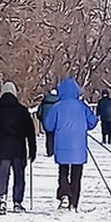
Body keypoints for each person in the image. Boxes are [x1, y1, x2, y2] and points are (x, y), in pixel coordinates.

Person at [0, 81, 36, 215]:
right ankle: (17, 202)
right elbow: (30, 131)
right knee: (19, 176)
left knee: (1, 175)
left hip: (0, 149)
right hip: (18, 150)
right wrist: (32, 149)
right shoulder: (22, 111)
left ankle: (2, 199)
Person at [43, 77, 97, 211]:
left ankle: (64, 194)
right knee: (77, 174)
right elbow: (93, 122)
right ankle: (74, 202)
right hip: (79, 146)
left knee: (63, 171)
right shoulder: (82, 106)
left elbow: (48, 125)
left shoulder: (57, 107)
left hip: (61, 145)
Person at [37, 88, 59, 157]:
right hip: (57, 122)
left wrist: (41, 119)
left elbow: (39, 113)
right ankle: (56, 150)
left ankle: (49, 151)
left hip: (46, 122)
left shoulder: (44, 101)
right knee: (56, 136)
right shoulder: (59, 102)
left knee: (49, 136)